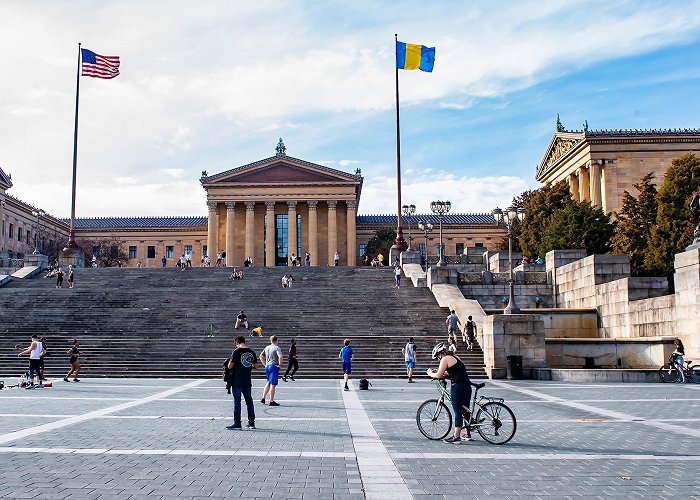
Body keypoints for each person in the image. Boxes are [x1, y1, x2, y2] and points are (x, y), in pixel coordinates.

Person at [427, 342, 472, 444]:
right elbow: (453, 372)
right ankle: (467, 434)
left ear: (440, 353)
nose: (438, 358)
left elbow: (439, 375)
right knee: (465, 411)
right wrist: (440, 372)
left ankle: (456, 436)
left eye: (437, 356)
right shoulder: (455, 357)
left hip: (457, 387)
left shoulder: (445, 359)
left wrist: (430, 373)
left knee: (458, 411)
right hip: (467, 386)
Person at [226, 335, 257, 429]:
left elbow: (230, 366)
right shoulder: (251, 352)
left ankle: (237, 423)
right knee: (249, 401)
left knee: (237, 401)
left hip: (237, 380)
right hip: (247, 380)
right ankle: (251, 423)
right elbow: (255, 366)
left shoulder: (236, 351)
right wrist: (247, 367)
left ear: (237, 343)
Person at [260, 336, 283, 406]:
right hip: (274, 366)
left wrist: (265, 364)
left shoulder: (267, 347)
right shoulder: (277, 348)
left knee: (269, 382)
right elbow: (280, 356)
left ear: (271, 340)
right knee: (273, 384)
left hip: (268, 366)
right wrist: (279, 364)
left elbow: (261, 356)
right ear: (276, 340)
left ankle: (263, 398)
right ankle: (271, 400)